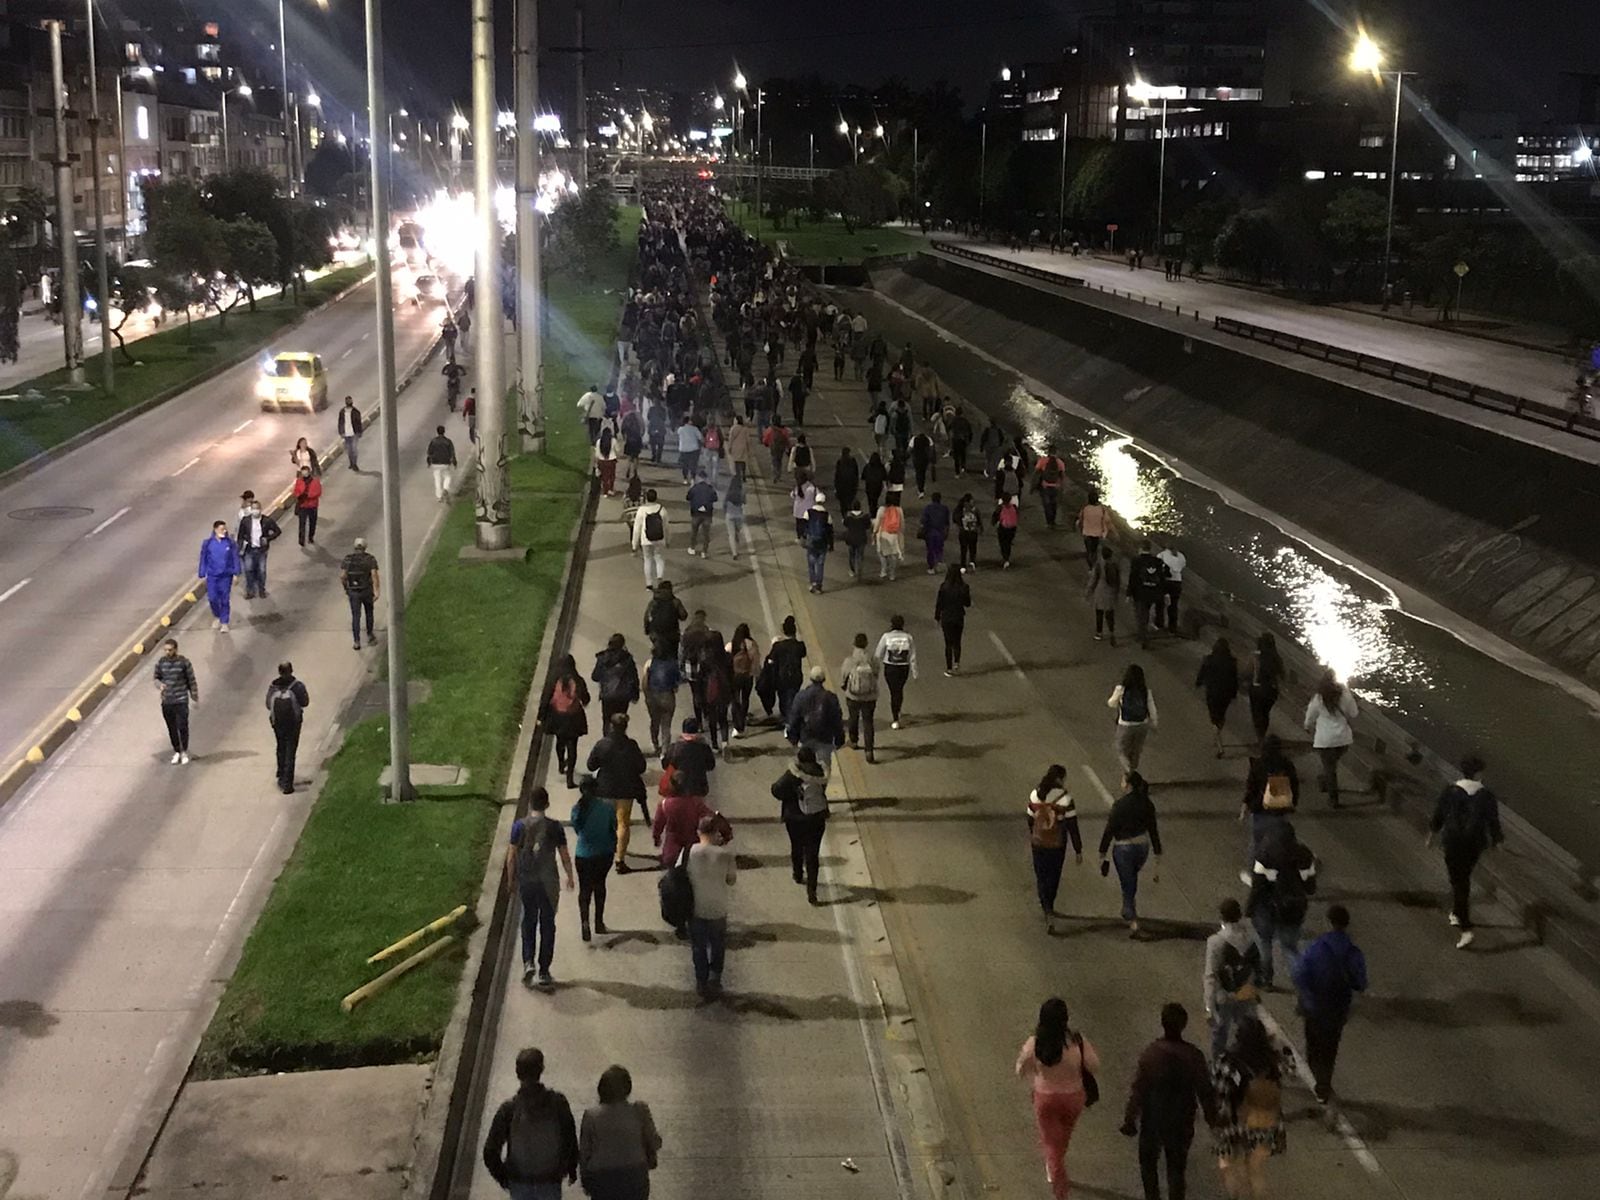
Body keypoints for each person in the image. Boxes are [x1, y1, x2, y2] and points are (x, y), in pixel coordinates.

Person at [1121, 1003, 1218, 1200]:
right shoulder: (1193, 1056)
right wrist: (1213, 1118)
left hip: (1153, 1120)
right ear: (1184, 1025)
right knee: (1177, 1169)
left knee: (1148, 1165)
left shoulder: (1151, 1054)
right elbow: (1205, 1091)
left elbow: (1139, 1090)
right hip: (1182, 1121)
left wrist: (1130, 1119)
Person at [1015, 998, 1100, 1200]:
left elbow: (1020, 1069)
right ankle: (1055, 1166)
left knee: (1051, 1145)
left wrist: (1035, 1073)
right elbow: (1094, 1065)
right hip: (1073, 1098)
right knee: (1063, 1138)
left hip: (1045, 1099)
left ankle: (1060, 1190)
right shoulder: (1078, 1042)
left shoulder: (1035, 1043)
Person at [1291, 905, 1368, 1104]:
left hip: (1315, 1007)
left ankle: (1319, 1080)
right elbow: (1361, 983)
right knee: (1330, 1048)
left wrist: (1306, 996)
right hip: (1338, 1010)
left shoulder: (1316, 948)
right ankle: (1324, 1085)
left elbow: (1299, 974)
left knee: (1314, 1045)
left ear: (1328, 922)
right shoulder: (1353, 952)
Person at [1427, 754, 1505, 949]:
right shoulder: (1487, 796)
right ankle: (1456, 912)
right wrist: (1497, 842)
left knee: (1458, 881)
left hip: (1453, 841)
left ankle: (1466, 928)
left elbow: (1439, 815)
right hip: (1475, 843)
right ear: (1478, 773)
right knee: (1465, 876)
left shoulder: (1451, 791)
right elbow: (1493, 821)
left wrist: (1431, 835)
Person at [482, 1047, 579, 1198]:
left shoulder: (509, 1109)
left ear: (517, 1073)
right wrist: (570, 1168)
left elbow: (490, 1151)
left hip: (520, 1183)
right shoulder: (557, 1103)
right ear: (541, 1069)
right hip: (550, 1181)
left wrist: (504, 1178)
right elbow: (569, 1137)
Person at [505, 786, 577, 987]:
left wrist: (511, 880)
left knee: (528, 921)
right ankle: (544, 970)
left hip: (527, 881)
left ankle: (528, 962)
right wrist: (570, 876)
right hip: (548, 883)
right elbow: (563, 855)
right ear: (547, 804)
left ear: (530, 804)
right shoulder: (555, 827)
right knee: (547, 925)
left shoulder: (519, 826)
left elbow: (511, 856)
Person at [1209, 1017, 1285, 1200]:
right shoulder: (1273, 1061)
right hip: (1265, 1121)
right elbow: (1288, 1072)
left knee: (1227, 1163)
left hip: (1234, 1123)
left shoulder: (1227, 1061)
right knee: (1256, 1171)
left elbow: (1218, 1090)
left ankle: (1234, 1196)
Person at [1245, 821, 1316, 989]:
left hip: (1266, 908)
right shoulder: (1304, 855)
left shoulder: (1264, 856)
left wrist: (1249, 909)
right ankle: (1301, 980)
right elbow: (1311, 888)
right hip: (1293, 909)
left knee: (1265, 942)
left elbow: (1257, 888)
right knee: (1290, 947)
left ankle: (1266, 978)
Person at [578, 1065, 662, 1200]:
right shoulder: (639, 1111)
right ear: (628, 1088)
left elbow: (584, 1153)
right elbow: (655, 1142)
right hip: (634, 1176)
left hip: (603, 1178)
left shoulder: (591, 1115)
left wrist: (585, 1181)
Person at [1099, 772, 1161, 934]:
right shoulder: (1147, 803)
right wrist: (1157, 852)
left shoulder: (1120, 805)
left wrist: (1102, 852)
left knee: (1128, 882)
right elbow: (1153, 830)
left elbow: (1109, 830)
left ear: (1128, 784)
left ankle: (1132, 917)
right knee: (1131, 877)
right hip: (1142, 847)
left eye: (1123, 780)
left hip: (1123, 848)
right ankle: (1128, 906)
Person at [587, 713, 648, 876]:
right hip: (626, 790)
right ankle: (620, 860)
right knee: (623, 824)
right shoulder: (631, 745)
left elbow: (591, 765)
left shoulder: (602, 745)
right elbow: (641, 767)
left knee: (604, 823)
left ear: (611, 726)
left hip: (604, 790)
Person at [685, 812, 737, 998]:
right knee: (717, 944)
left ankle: (701, 981)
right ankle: (715, 978)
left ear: (699, 832)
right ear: (715, 833)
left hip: (696, 906)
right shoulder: (725, 854)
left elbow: (678, 874)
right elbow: (731, 880)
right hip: (718, 906)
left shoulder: (689, 851)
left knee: (698, 946)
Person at [1203, 898, 1261, 1060]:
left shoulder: (1215, 942)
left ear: (1222, 916)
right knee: (1246, 1032)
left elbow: (1211, 976)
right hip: (1245, 992)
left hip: (1224, 995)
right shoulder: (1251, 937)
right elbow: (1257, 966)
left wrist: (1209, 1006)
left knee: (1220, 1033)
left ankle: (1218, 1066)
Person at [1028, 765, 1083, 933]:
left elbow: (1030, 819)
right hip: (1057, 844)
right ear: (1059, 779)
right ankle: (1049, 905)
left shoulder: (1035, 795)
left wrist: (1037, 834)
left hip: (1038, 843)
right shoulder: (1065, 799)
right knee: (1053, 875)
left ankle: (1046, 906)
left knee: (1041, 874)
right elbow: (1072, 826)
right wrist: (1078, 849)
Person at [772, 745, 830, 903]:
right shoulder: (821, 773)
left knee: (796, 846)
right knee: (813, 854)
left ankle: (798, 873)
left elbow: (776, 790)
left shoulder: (793, 774)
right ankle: (812, 891)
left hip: (795, 818)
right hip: (816, 817)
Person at [1238, 735, 1298, 885]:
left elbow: (1251, 787)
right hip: (1280, 811)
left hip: (1260, 811)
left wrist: (1245, 806)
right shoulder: (1287, 765)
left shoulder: (1258, 764)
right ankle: (1280, 874)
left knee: (1257, 843)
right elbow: (1295, 786)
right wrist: (1292, 804)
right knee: (1280, 843)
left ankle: (1253, 874)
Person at [1302, 668, 1358, 807]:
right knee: (1331, 764)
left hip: (1324, 739)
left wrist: (1307, 726)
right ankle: (1325, 780)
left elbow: (1310, 715)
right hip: (1343, 739)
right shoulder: (1345, 694)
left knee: (1330, 767)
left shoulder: (1319, 698)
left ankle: (1333, 797)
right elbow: (1354, 713)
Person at [570, 777, 616, 942]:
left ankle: (584, 922)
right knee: (600, 886)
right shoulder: (608, 808)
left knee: (585, 890)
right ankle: (599, 922)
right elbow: (613, 828)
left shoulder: (577, 809)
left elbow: (577, 829)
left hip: (583, 855)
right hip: (604, 854)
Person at [540, 655, 591, 788]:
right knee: (572, 747)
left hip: (558, 717)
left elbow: (545, 699)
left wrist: (541, 717)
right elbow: (586, 698)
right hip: (574, 718)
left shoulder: (554, 679)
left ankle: (561, 764)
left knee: (560, 741)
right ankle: (570, 779)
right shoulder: (578, 680)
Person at [785, 665, 845, 772]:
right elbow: (837, 721)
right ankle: (821, 788)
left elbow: (793, 718)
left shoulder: (801, 696)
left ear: (810, 678)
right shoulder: (831, 697)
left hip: (806, 738)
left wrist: (792, 737)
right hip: (824, 739)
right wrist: (839, 739)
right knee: (824, 770)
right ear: (823, 680)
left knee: (805, 769)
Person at [265, 661, 310, 794]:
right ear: (291, 671)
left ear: (279, 672)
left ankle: (281, 772)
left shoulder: (273, 687)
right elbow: (305, 702)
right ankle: (287, 784)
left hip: (277, 723)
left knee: (280, 746)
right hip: (293, 723)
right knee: (291, 750)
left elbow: (268, 704)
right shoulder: (297, 686)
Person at [152, 639, 198, 765]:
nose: (167, 652)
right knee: (171, 728)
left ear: (176, 649)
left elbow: (191, 680)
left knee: (182, 726)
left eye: (170, 650)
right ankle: (177, 750)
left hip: (181, 700)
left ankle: (184, 751)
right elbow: (156, 677)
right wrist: (159, 685)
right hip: (167, 701)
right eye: (165, 650)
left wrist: (194, 698)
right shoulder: (161, 663)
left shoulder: (184, 662)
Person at [1108, 664, 1158, 772]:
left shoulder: (1121, 689)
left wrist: (1119, 703)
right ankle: (1133, 769)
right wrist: (1154, 723)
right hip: (1142, 725)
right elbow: (1152, 708)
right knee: (1136, 751)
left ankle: (1129, 771)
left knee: (1121, 749)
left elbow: (1111, 703)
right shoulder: (1145, 691)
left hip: (1125, 725)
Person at [1194, 639, 1240, 758]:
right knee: (1221, 716)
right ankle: (1217, 736)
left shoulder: (1208, 660)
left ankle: (1220, 747)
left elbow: (1201, 674)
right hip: (1226, 694)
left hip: (1212, 693)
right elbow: (1234, 680)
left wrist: (1198, 684)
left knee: (1214, 718)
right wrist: (1234, 695)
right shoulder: (1232, 662)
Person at [839, 632, 879, 763]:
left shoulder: (850, 660)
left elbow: (844, 676)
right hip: (870, 696)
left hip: (853, 696)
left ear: (854, 644)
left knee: (853, 718)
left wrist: (844, 687)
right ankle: (869, 750)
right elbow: (877, 672)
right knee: (868, 722)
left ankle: (854, 740)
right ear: (866, 644)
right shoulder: (872, 659)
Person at [197, 519, 241, 632]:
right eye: (222, 529)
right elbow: (203, 558)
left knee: (225, 599)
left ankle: (224, 622)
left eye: (225, 529)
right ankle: (217, 615)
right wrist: (202, 573)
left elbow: (235, 558)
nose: (224, 531)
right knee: (212, 598)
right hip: (212, 576)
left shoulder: (230, 543)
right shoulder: (208, 543)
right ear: (215, 530)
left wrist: (236, 573)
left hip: (226, 576)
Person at [874, 615, 917, 729]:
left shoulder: (886, 636)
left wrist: (875, 670)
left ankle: (895, 718)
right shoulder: (908, 637)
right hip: (904, 668)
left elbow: (878, 654)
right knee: (899, 690)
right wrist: (914, 671)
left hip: (890, 667)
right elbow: (912, 655)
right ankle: (898, 710)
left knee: (893, 691)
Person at [764, 617, 808, 726]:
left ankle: (788, 720)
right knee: (793, 697)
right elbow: (803, 653)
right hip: (796, 676)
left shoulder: (778, 646)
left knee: (783, 699)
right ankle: (791, 719)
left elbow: (771, 659)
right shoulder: (799, 645)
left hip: (781, 677)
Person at [235, 498, 281, 600]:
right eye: (253, 508)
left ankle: (261, 590)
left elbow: (277, 531)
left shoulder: (267, 521)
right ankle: (250, 590)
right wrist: (239, 548)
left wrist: (268, 539)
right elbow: (241, 535)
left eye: (257, 508)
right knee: (248, 570)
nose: (255, 511)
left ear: (260, 509)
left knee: (262, 571)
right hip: (249, 549)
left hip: (261, 550)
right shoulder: (245, 521)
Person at [1245, 633, 1284, 751]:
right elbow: (1282, 675)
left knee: (1256, 714)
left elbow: (1247, 672)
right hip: (1272, 691)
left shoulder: (1255, 656)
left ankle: (1260, 740)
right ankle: (1263, 736)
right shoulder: (1277, 658)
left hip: (1257, 689)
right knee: (1265, 714)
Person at [639, 647, 681, 757]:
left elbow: (644, 681)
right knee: (666, 725)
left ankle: (655, 743)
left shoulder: (649, 663)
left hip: (653, 696)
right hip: (667, 696)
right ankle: (665, 751)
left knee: (654, 721)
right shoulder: (672, 664)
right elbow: (677, 681)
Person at [1128, 540, 1169, 649]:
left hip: (1139, 593)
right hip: (1153, 592)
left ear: (1140, 548)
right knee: (1146, 612)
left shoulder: (1136, 561)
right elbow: (1162, 579)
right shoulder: (1158, 561)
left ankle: (1143, 637)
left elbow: (1133, 578)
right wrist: (1164, 593)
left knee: (1140, 615)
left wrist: (1129, 593)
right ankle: (1144, 633)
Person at [591, 634, 640, 725]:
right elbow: (633, 678)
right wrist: (635, 694)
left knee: (607, 720)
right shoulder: (627, 659)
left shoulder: (602, 658)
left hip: (607, 696)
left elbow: (595, 677)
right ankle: (619, 736)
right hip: (622, 697)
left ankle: (607, 737)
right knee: (620, 721)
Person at [934, 563, 971, 675]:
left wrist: (937, 616)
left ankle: (949, 668)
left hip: (947, 617)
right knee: (957, 641)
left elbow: (939, 603)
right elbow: (967, 603)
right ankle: (957, 663)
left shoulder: (944, 587)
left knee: (948, 643)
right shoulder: (964, 587)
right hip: (958, 617)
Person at [630, 489, 669, 587]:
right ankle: (659, 578)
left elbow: (636, 529)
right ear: (656, 498)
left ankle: (649, 584)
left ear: (646, 498)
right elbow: (666, 527)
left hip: (646, 540)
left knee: (647, 560)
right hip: (660, 539)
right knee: (659, 558)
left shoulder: (642, 510)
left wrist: (634, 545)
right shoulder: (662, 510)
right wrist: (667, 540)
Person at [1088, 545, 1121, 644]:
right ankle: (1112, 633)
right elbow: (1118, 580)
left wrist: (1089, 590)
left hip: (1100, 591)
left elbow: (1094, 579)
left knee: (1099, 613)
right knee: (1110, 614)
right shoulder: (1115, 565)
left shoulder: (1099, 564)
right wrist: (1116, 591)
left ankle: (1099, 633)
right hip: (1111, 591)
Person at [872, 489, 906, 579]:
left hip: (883, 533)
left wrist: (874, 532)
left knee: (881, 553)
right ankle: (892, 574)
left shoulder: (882, 509)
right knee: (893, 554)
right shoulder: (899, 510)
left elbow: (877, 523)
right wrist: (901, 534)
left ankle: (883, 570)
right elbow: (902, 524)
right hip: (894, 534)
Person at [1157, 543, 1187, 633]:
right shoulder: (1181, 556)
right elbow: (1183, 566)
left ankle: (1160, 623)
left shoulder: (1162, 555)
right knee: (1174, 605)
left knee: (1160, 603)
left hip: (1166, 581)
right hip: (1177, 581)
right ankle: (1172, 626)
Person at [1033, 447, 1066, 528]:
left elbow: (1036, 471)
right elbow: (1062, 475)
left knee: (1046, 505)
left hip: (1045, 486)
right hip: (1056, 486)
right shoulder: (1060, 462)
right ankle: (1053, 521)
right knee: (1054, 504)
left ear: (1048, 451)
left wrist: (1033, 485)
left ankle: (1048, 522)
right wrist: (1062, 486)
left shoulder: (1043, 460)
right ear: (1056, 452)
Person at [685, 472, 716, 557]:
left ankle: (692, 548)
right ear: (706, 479)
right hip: (707, 514)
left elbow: (688, 497)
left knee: (694, 532)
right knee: (706, 534)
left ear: (698, 478)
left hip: (696, 513)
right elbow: (715, 498)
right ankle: (704, 551)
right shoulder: (710, 488)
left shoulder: (695, 488)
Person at [920, 491, 951, 574]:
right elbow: (947, 522)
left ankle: (931, 567)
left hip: (930, 532)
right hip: (940, 532)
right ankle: (939, 564)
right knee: (939, 549)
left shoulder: (928, 508)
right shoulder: (945, 508)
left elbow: (923, 520)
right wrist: (946, 532)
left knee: (930, 550)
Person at [426, 424, 458, 502]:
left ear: (437, 432)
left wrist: (429, 462)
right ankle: (445, 488)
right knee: (447, 477)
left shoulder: (433, 441)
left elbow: (429, 452)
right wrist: (454, 462)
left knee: (437, 479)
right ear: (444, 432)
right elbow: (452, 453)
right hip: (445, 463)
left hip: (435, 463)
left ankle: (439, 496)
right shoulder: (448, 441)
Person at [954, 493, 982, 572]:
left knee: (964, 548)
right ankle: (971, 562)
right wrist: (979, 527)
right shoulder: (974, 509)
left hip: (964, 532)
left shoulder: (959, 509)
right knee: (972, 548)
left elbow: (955, 519)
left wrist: (960, 525)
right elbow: (979, 520)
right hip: (972, 532)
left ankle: (964, 565)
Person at [723, 470, 747, 559]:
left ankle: (734, 553)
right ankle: (738, 548)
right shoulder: (742, 492)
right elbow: (745, 502)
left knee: (731, 535)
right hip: (739, 515)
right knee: (737, 533)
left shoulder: (729, 492)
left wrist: (725, 512)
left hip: (729, 515)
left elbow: (724, 504)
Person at [337, 395, 363, 470]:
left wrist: (360, 432)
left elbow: (359, 422)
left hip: (354, 434)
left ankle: (355, 464)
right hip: (346, 434)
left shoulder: (356, 412)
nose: (349, 402)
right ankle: (351, 463)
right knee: (349, 450)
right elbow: (340, 422)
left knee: (354, 449)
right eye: (348, 401)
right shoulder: (342, 412)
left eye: (350, 400)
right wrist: (341, 432)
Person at [675, 415, 703, 483]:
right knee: (693, 464)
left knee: (685, 465)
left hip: (683, 449)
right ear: (688, 421)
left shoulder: (680, 429)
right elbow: (700, 437)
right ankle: (692, 478)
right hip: (693, 449)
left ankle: (685, 478)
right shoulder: (694, 429)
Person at [993, 495, 1019, 568]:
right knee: (1008, 543)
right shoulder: (1014, 507)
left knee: (1003, 543)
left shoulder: (1000, 507)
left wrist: (994, 523)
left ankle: (1005, 558)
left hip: (1003, 528)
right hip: (1012, 528)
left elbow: (995, 516)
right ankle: (1006, 558)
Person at [788, 474, 816, 541]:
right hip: (807, 510)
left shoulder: (797, 487)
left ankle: (799, 537)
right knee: (806, 524)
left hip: (798, 510)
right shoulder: (811, 487)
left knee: (799, 524)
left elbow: (792, 495)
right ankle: (806, 536)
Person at [595, 421, 620, 497]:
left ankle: (605, 491)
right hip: (611, 460)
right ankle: (610, 489)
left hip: (601, 461)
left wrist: (596, 462)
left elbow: (597, 453)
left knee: (604, 477)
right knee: (611, 476)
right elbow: (618, 450)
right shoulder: (613, 440)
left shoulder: (599, 441)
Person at [833, 447, 860, 513]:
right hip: (851, 486)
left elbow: (837, 476)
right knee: (850, 502)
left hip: (841, 487)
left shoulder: (840, 462)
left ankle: (844, 517)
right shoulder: (853, 461)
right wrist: (856, 485)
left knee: (843, 505)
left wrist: (836, 487)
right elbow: (856, 474)